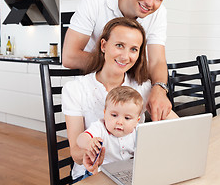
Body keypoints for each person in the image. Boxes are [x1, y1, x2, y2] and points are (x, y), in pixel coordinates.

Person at [62, 17, 178, 182]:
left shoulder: (143, 87)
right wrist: (91, 154)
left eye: (133, 49)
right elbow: (76, 154)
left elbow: (177, 125)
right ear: (103, 45)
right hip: (92, 174)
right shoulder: (75, 89)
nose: (125, 56)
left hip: (133, 171)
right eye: (119, 46)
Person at [62, 0, 175, 121]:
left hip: (129, 86)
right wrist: (122, 65)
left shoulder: (159, 13)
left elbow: (157, 61)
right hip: (96, 84)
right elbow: (70, 57)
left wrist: (159, 88)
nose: (150, 3)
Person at [77, 86, 143, 167]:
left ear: (137, 120)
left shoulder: (138, 130)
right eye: (114, 115)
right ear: (105, 113)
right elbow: (80, 139)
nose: (119, 122)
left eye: (127, 118)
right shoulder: (100, 127)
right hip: (102, 171)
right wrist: (88, 143)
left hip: (128, 171)